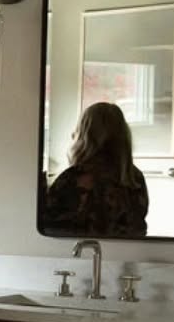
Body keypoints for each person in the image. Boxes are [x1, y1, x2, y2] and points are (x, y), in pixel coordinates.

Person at [43, 101, 150, 238]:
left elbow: (48, 226)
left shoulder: (73, 178)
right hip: (128, 253)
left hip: (80, 254)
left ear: (84, 136)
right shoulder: (134, 178)